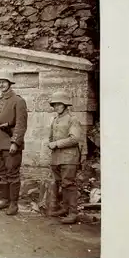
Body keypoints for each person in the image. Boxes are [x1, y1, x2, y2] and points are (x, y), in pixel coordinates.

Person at [0, 70, 28, 216]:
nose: (1, 84)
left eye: (4, 82)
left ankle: (14, 204)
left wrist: (15, 142)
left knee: (12, 173)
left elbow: (21, 125)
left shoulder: (18, 100)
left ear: (10, 83)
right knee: (1, 173)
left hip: (10, 143)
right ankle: (5, 200)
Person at [47, 90, 83, 224]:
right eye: (54, 104)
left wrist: (55, 144)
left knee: (69, 184)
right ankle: (65, 208)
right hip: (56, 158)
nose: (56, 107)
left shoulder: (73, 119)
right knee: (60, 183)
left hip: (69, 158)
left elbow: (75, 139)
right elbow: (51, 137)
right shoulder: (55, 120)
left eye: (59, 104)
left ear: (65, 105)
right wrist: (51, 144)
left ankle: (73, 213)